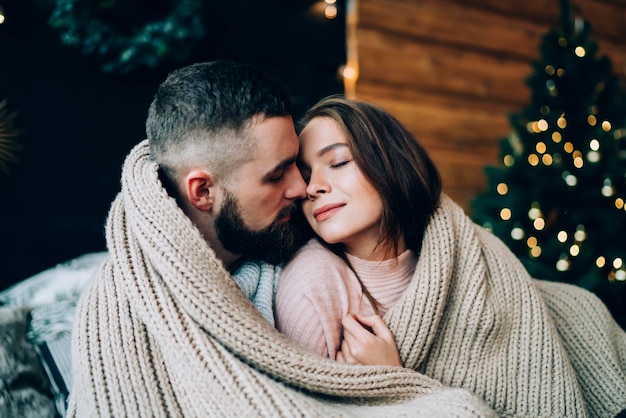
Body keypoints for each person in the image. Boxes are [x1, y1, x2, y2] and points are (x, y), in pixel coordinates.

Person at [67, 61, 497, 417]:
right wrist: (394, 389)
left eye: (298, 166)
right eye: (278, 174)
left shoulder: (276, 251)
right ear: (202, 192)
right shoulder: (121, 305)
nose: (301, 188)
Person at [275, 96, 626, 418]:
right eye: (305, 176)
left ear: (390, 164)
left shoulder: (474, 263)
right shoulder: (313, 291)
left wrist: (395, 382)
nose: (312, 187)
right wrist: (394, 386)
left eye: (337, 162)